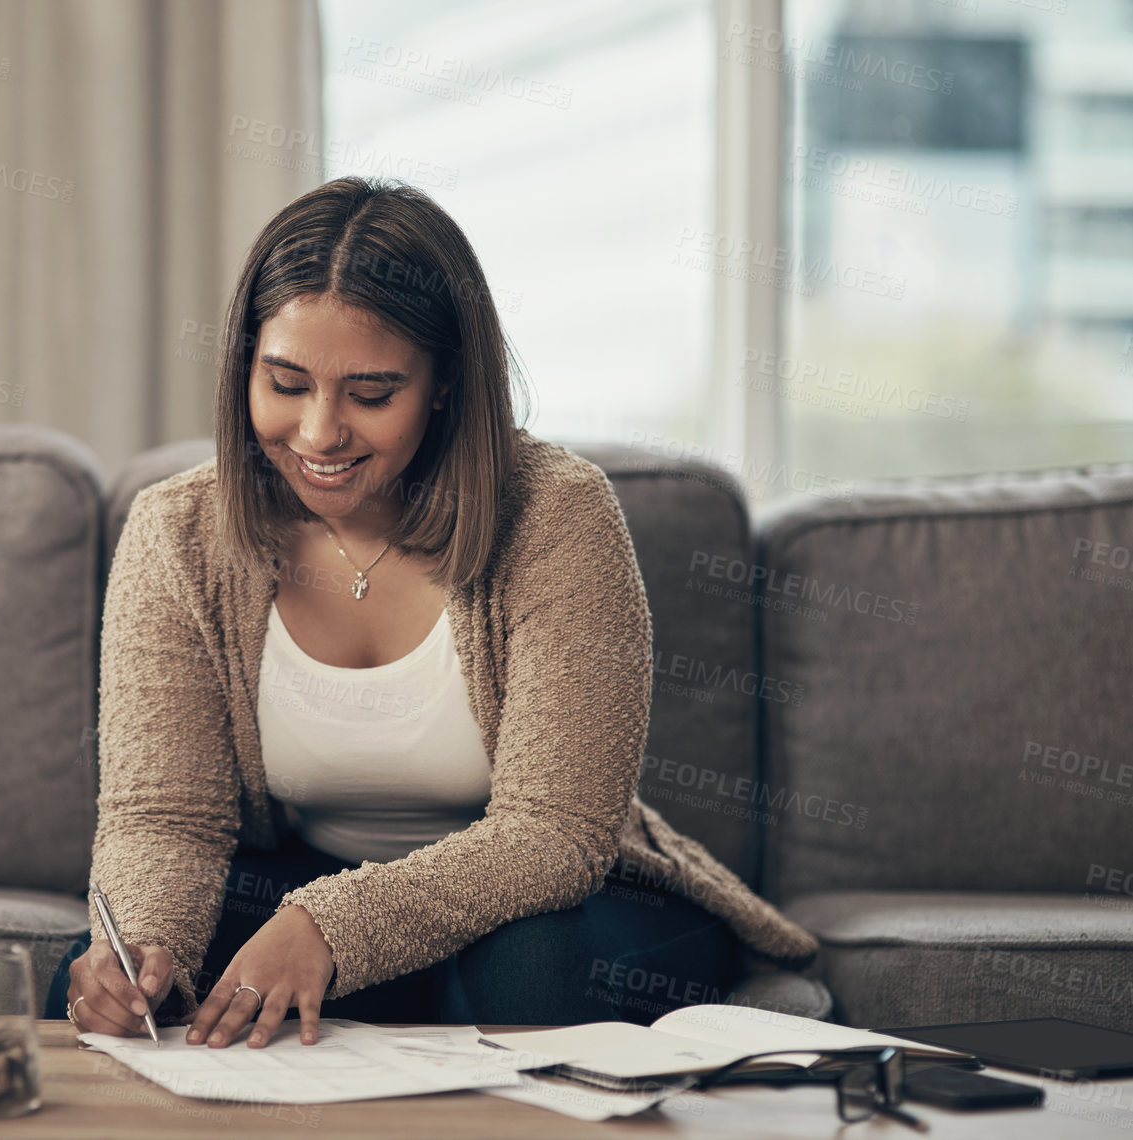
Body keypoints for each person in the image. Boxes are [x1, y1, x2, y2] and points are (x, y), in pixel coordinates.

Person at [47, 176, 816, 1050]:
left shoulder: (561, 517)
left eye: (370, 394)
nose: (318, 433)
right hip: (304, 882)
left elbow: (555, 834)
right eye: (286, 383)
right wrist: (144, 950)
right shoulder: (177, 533)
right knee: (94, 990)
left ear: (445, 382)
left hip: (555, 906)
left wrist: (333, 929)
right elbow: (166, 817)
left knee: (530, 971)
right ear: (243, 366)